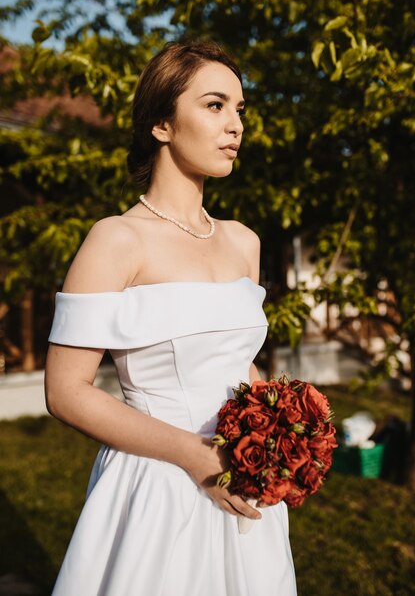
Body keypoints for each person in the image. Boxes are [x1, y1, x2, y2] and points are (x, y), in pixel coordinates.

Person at [45, 39, 297, 596]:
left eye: (239, 110)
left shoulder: (243, 242)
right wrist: (194, 456)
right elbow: (65, 392)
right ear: (162, 123)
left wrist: (282, 431)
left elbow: (237, 362)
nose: (235, 125)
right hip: (158, 485)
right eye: (214, 105)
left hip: (244, 484)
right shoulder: (116, 239)